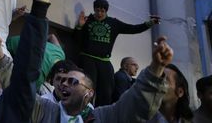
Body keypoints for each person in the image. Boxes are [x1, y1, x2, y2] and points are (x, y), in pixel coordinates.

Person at [31, 36, 173, 123]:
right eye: (62, 81)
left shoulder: (102, 117)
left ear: (89, 93)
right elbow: (20, 90)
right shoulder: (45, 109)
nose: (64, 84)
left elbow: (133, 106)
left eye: (72, 82)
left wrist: (156, 69)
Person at [75, 0, 160, 106]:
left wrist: (150, 23)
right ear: (94, 10)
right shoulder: (87, 21)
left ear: (106, 11)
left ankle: (100, 115)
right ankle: (85, 113)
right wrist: (79, 26)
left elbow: (132, 29)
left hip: (104, 61)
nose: (99, 13)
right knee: (87, 89)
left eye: (102, 11)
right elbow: (77, 41)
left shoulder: (113, 23)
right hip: (88, 59)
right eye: (97, 10)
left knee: (107, 92)